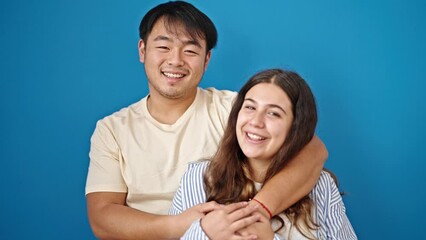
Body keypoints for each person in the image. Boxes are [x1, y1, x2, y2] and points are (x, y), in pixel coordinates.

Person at [85, 1, 328, 239]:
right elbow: (102, 218)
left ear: (207, 59)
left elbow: (313, 150)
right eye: (163, 47)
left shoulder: (233, 109)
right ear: (142, 50)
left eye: (190, 50)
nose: (176, 60)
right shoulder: (112, 130)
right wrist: (187, 227)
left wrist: (258, 211)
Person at [170, 68, 357, 239]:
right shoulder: (198, 178)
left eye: (273, 113)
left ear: (295, 127)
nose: (256, 122)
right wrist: (204, 233)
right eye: (250, 107)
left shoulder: (321, 186)